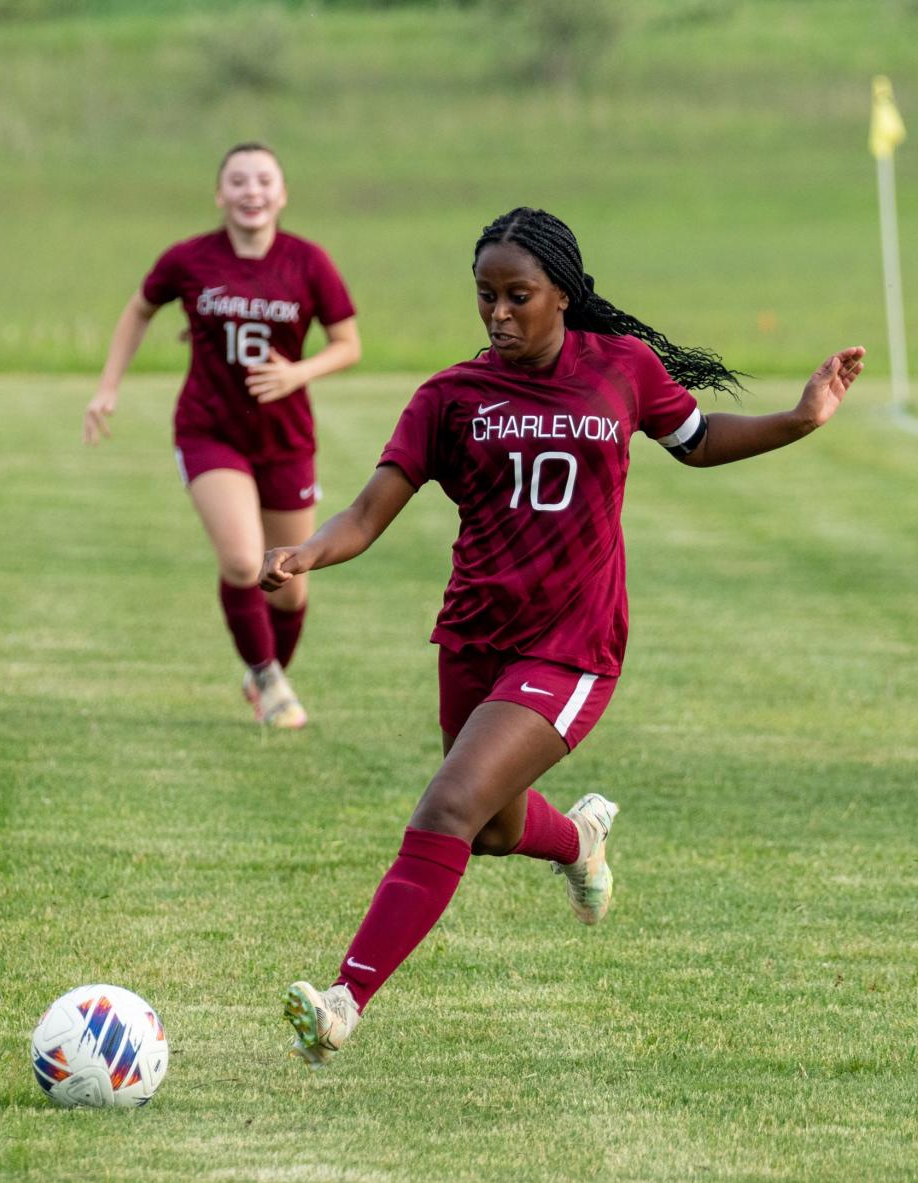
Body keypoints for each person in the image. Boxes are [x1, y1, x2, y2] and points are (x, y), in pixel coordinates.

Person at [258, 206, 865, 1067]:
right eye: (485, 297)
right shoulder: (449, 397)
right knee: (493, 828)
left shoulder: (622, 368)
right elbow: (367, 510)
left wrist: (798, 419)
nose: (498, 313)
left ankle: (343, 1000)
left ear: (563, 296)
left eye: (518, 296)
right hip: (472, 638)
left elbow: (695, 443)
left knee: (446, 804)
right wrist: (307, 552)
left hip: (572, 647)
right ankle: (578, 840)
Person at [83, 142, 361, 727]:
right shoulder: (189, 260)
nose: (251, 192)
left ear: (282, 194)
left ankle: (265, 673)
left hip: (285, 438)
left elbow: (348, 344)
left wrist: (297, 372)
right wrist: (108, 387)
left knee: (287, 584)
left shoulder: (308, 262)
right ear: (219, 194)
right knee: (241, 561)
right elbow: (139, 309)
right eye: (238, 181)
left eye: (263, 181)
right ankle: (268, 678)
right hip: (210, 431)